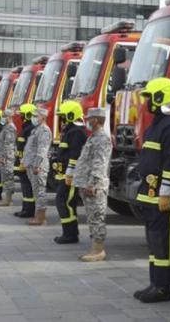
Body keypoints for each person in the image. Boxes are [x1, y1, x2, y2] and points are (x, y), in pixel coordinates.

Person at [133, 77, 170, 304]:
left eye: (148, 97)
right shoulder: (155, 126)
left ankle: (163, 288)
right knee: (154, 241)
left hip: (163, 198)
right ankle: (155, 283)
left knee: (164, 243)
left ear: (159, 97)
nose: (146, 102)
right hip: (149, 196)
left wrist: (165, 193)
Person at [74, 107, 112, 262]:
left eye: (89, 118)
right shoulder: (93, 137)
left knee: (97, 217)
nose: (87, 121)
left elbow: (100, 163)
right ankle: (94, 248)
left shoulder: (102, 138)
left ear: (96, 120)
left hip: (95, 186)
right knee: (92, 217)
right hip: (88, 183)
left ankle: (98, 250)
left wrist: (93, 183)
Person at [53, 100, 88, 244]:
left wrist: (69, 173)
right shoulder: (70, 130)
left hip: (70, 175)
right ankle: (70, 233)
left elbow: (75, 155)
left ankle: (70, 234)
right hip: (64, 174)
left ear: (71, 115)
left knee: (64, 202)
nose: (61, 118)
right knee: (67, 202)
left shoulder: (76, 132)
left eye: (63, 116)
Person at [23, 107, 52, 226]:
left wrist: (37, 165)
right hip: (32, 164)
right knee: (36, 191)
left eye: (37, 116)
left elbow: (42, 150)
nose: (34, 118)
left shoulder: (44, 130)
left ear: (43, 117)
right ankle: (38, 215)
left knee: (40, 191)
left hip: (38, 166)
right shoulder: (36, 130)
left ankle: (41, 218)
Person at [13, 103, 37, 218]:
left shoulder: (30, 129)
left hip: (26, 163)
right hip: (21, 162)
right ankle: (25, 208)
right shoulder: (25, 128)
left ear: (28, 115)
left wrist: (23, 162)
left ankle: (29, 211)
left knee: (28, 187)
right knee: (24, 187)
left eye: (22, 114)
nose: (21, 116)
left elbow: (29, 149)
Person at [0, 109, 16, 207]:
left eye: (5, 116)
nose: (3, 118)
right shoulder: (6, 127)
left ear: (9, 117)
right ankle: (7, 199)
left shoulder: (10, 128)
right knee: (5, 178)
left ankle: (8, 200)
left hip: (7, 157)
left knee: (8, 177)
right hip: (4, 157)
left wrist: (3, 157)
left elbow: (8, 144)